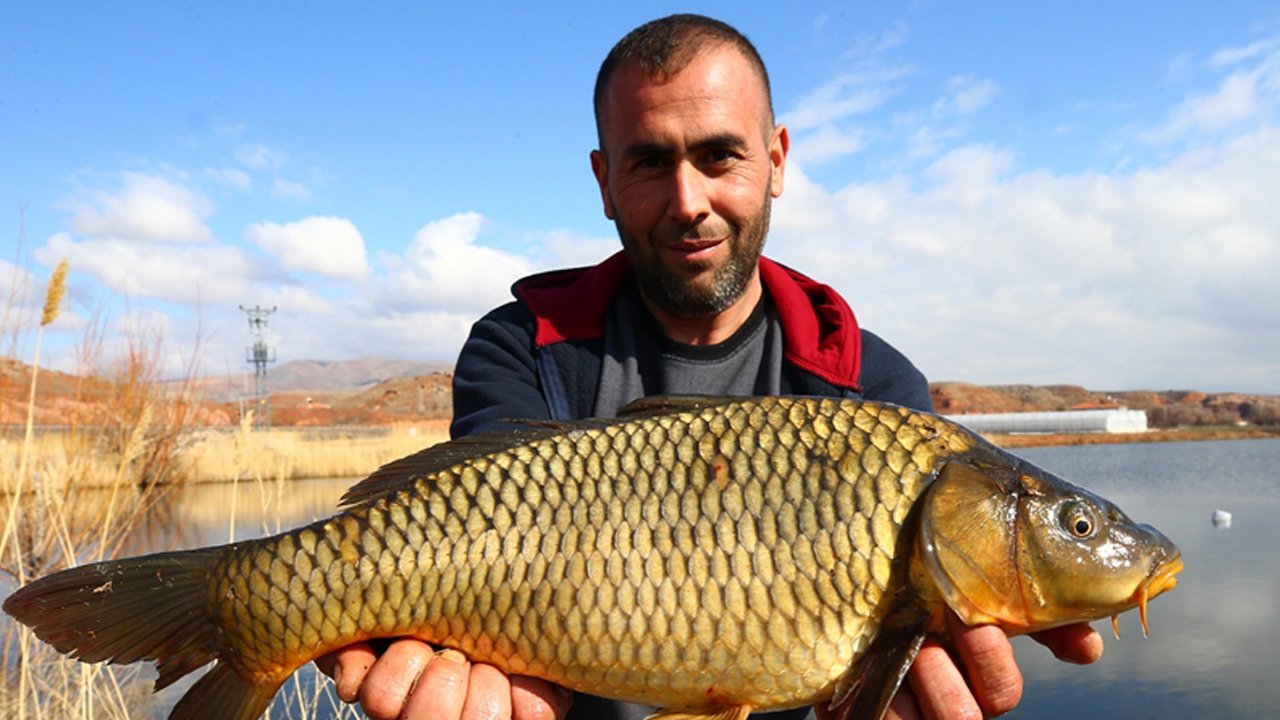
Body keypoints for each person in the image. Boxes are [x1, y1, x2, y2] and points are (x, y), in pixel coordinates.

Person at [318, 13, 1104, 720]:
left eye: (719, 156)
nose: (687, 199)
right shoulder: (521, 345)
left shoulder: (874, 386)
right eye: (651, 163)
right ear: (604, 182)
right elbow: (465, 536)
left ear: (776, 161)